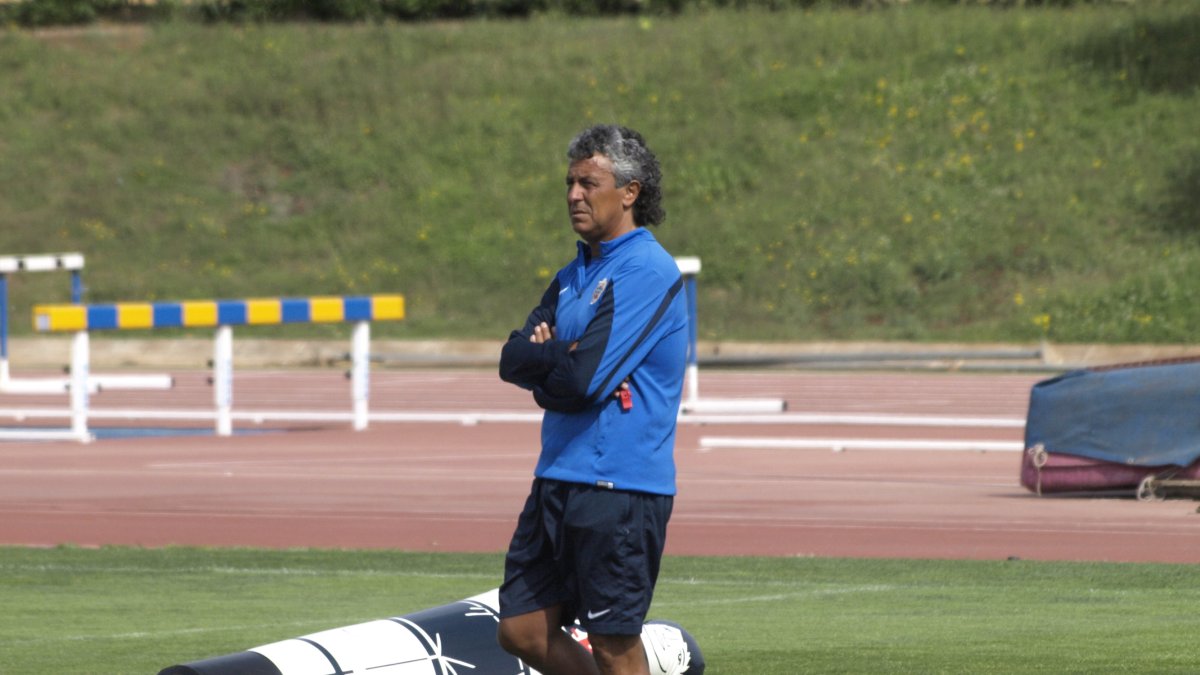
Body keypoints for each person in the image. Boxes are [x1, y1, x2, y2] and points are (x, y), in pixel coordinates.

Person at [495, 125, 691, 675]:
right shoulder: (571, 275)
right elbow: (512, 359)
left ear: (629, 192)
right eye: (570, 183)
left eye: (588, 183)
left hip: (618, 489)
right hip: (557, 477)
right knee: (522, 630)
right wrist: (562, 357)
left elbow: (582, 382)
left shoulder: (646, 270)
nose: (573, 195)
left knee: (613, 645)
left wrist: (550, 360)